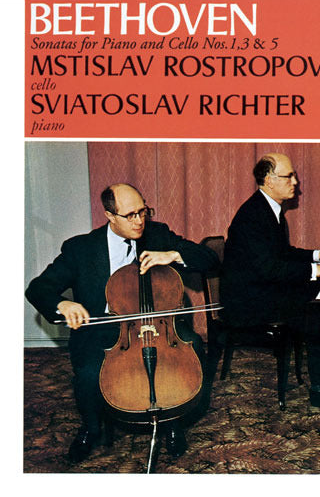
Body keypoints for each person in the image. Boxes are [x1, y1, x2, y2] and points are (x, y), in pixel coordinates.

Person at [25, 183, 219, 463]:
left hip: (157, 323)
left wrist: (174, 255)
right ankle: (91, 428)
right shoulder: (81, 248)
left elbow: (210, 259)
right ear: (109, 215)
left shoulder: (157, 235)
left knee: (193, 343)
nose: (139, 221)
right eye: (130, 215)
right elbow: (38, 288)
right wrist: (63, 304)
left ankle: (173, 422)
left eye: (143, 212)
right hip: (103, 327)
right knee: (89, 372)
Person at [220, 153, 320, 409]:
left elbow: (283, 253)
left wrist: (319, 256)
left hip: (262, 289)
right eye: (288, 176)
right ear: (269, 180)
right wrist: (316, 270)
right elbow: (269, 268)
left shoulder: (269, 208)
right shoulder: (252, 216)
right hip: (248, 302)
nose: (295, 182)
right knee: (319, 308)